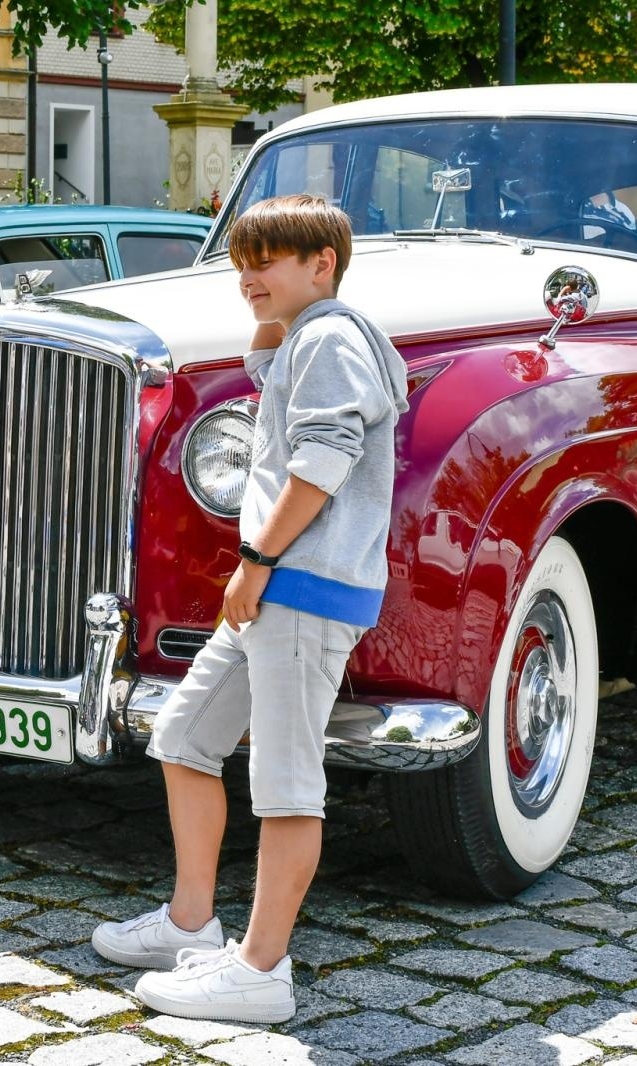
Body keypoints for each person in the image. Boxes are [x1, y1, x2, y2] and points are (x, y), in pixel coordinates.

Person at [90, 194, 409, 1023]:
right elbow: (276, 382)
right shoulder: (313, 337)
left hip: (300, 584)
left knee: (288, 784)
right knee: (184, 734)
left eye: (264, 261)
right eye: (241, 262)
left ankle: (261, 972)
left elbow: (325, 456)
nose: (246, 278)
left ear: (322, 265)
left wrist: (259, 560)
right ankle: (191, 923)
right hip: (282, 587)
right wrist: (271, 315)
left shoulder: (334, 337)